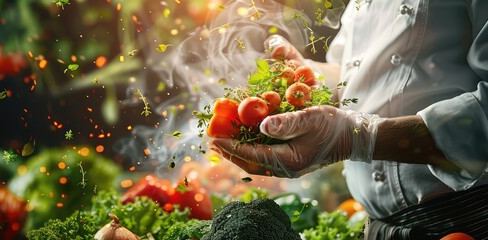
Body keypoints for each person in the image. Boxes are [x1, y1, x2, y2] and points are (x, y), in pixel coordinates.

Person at [209, 0, 488, 238]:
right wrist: (312, 79)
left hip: (470, 221)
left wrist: (359, 137)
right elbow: (354, 78)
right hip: (380, 228)